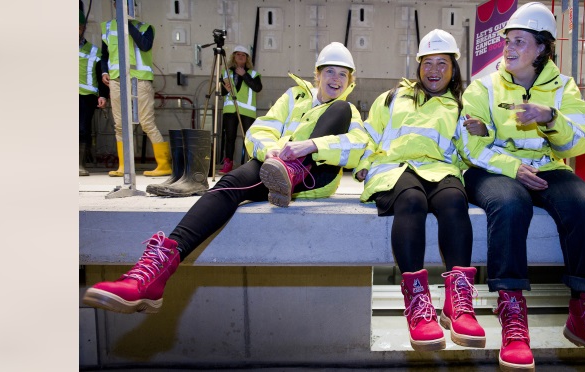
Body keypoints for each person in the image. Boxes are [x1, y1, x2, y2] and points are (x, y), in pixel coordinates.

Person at [82, 42, 370, 313]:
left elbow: (358, 145)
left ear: (350, 81)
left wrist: (310, 146)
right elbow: (261, 129)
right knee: (229, 184)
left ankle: (292, 171)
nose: (336, 78)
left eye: (343, 74)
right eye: (329, 71)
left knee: (339, 109)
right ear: (317, 75)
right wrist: (271, 151)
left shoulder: (349, 109)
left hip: (313, 176)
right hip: (276, 168)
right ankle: (153, 273)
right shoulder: (293, 97)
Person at [457, 3, 585, 371]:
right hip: (492, 168)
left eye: (520, 42)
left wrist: (551, 118)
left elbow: (582, 141)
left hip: (546, 166)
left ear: (542, 48)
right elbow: (468, 144)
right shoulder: (482, 86)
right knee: (510, 205)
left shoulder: (563, 88)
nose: (509, 48)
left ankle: (584, 313)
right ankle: (512, 314)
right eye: (507, 40)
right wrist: (512, 167)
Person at [354, 29, 484, 352]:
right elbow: (368, 133)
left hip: (439, 170)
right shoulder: (393, 97)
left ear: (453, 69)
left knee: (455, 200)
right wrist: (362, 161)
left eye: (442, 63)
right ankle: (418, 304)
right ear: (418, 66)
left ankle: (459, 303)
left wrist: (481, 132)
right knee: (411, 200)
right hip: (395, 170)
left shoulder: (459, 105)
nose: (434, 70)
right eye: (428, 63)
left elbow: (469, 151)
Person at [100, 0, 170, 177]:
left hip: (140, 80)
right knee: (120, 125)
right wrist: (103, 72)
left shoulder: (146, 27)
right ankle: (124, 167)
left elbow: (145, 45)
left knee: (147, 122)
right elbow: (104, 55)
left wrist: (127, 24)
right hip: (116, 80)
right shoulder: (107, 27)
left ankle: (164, 165)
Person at [218, 45, 262, 174]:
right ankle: (228, 162)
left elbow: (257, 88)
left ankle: (250, 164)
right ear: (234, 57)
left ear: (247, 58)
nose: (240, 57)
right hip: (230, 109)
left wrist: (244, 75)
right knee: (229, 137)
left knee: (248, 138)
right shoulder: (225, 72)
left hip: (247, 111)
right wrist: (225, 88)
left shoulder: (253, 74)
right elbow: (221, 93)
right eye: (238, 54)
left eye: (243, 55)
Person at [78, 6, 108, 176]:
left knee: (82, 129)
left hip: (86, 96)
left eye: (79, 28)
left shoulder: (93, 51)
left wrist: (103, 95)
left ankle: (79, 165)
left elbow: (101, 75)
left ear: (83, 29)